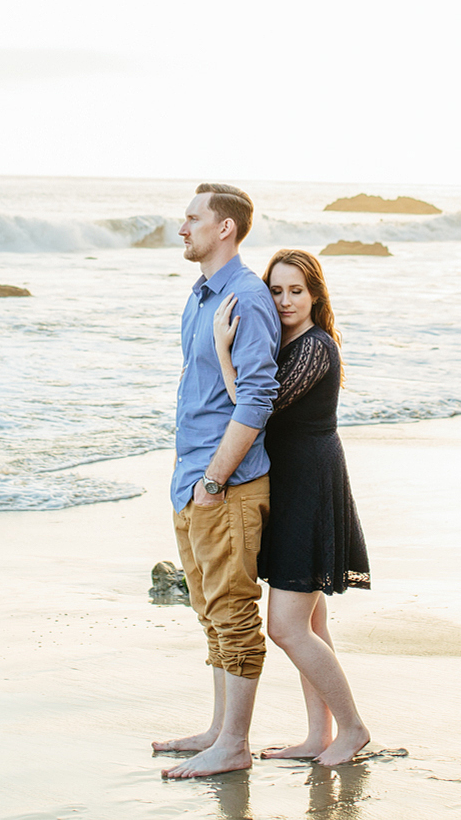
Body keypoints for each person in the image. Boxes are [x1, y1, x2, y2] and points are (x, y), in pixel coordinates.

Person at [212, 248, 372, 765]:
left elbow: (254, 405)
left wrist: (222, 350)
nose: (284, 301)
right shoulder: (286, 343)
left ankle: (353, 728)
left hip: (308, 486)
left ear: (315, 295)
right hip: (290, 484)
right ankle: (318, 736)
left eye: (296, 291)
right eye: (276, 291)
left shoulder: (316, 348)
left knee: (286, 627)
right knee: (313, 624)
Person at [150, 183, 281, 779]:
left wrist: (213, 479)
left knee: (232, 610)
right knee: (207, 607)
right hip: (194, 477)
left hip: (223, 482)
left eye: (192, 218)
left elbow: (257, 397)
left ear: (224, 228)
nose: (183, 228)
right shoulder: (202, 295)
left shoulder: (246, 298)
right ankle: (217, 728)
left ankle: (234, 744)